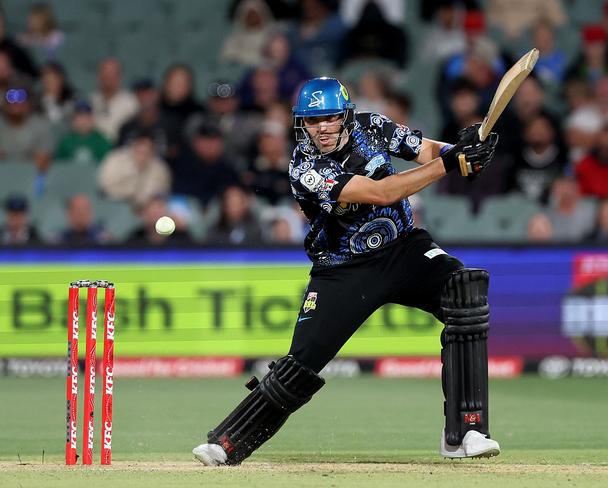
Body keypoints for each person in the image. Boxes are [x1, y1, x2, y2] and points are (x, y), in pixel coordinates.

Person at [192, 77, 500, 465]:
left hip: (403, 248)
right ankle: (228, 442)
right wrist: (451, 163)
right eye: (311, 120)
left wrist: (464, 152)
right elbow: (383, 192)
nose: (321, 128)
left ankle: (465, 431)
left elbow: (426, 151)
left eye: (330, 118)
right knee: (302, 362)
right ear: (300, 124)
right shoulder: (305, 167)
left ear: (346, 116)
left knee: (464, 289)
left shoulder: (373, 125)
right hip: (342, 267)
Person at [97, 129, 171, 206]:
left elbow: (162, 194)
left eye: (147, 152)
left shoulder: (160, 169)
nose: (142, 156)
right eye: (140, 150)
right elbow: (105, 185)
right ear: (134, 146)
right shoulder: (115, 159)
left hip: (144, 210)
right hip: (113, 204)